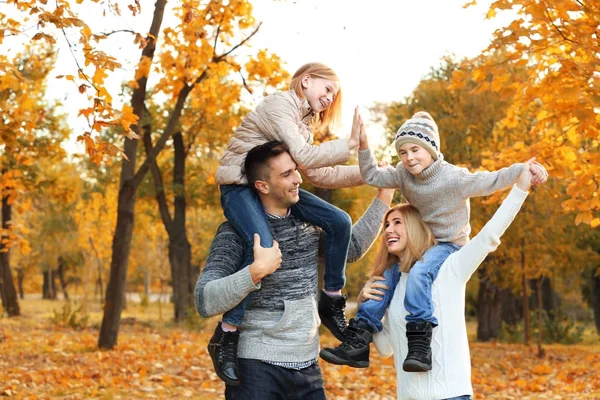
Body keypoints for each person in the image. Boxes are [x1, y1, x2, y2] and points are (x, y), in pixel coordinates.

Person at [320, 111, 547, 371]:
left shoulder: (454, 178)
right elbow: (371, 175)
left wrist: (524, 170)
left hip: (449, 244)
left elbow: (490, 180)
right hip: (422, 243)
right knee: (383, 278)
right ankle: (358, 341)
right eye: (403, 152)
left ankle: (419, 343)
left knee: (419, 274)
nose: (409, 158)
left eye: (415, 149)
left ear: (432, 149)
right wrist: (364, 145)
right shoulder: (403, 174)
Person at [195, 141, 392, 398]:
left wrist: (384, 197)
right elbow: (204, 300)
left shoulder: (308, 225)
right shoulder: (234, 232)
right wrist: (254, 272)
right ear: (262, 186)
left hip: (308, 366)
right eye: (286, 174)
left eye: (295, 170)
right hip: (255, 368)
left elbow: (351, 248)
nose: (298, 179)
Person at [211, 62, 365, 384]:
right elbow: (304, 155)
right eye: (327, 89)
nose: (329, 98)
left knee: (339, 220)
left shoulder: (304, 126)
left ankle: (332, 298)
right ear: (306, 80)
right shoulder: (280, 104)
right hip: (240, 188)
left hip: (273, 186)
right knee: (264, 248)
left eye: (333, 95)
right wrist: (348, 144)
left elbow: (317, 172)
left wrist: (371, 173)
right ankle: (227, 333)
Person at [357, 161, 541, 400]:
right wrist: (364, 303)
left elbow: (489, 236)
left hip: (451, 395)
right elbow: (385, 349)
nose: (389, 230)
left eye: (397, 222)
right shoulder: (393, 285)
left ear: (414, 227)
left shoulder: (450, 268)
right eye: (386, 225)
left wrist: (521, 189)